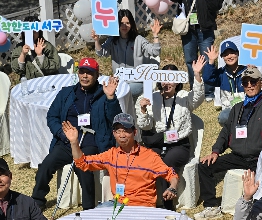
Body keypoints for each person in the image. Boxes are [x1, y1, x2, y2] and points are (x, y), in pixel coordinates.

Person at [194, 67, 262, 220]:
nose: (249, 85)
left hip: (260, 157)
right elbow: (226, 132)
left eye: (253, 82)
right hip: (237, 156)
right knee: (204, 166)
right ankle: (211, 207)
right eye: (245, 83)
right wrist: (216, 151)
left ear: (261, 84)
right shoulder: (237, 108)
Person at [32, 58, 120, 211]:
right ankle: (37, 200)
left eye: (89, 73)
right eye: (82, 72)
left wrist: (111, 98)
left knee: (84, 170)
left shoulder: (104, 93)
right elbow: (52, 116)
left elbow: (116, 119)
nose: (85, 76)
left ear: (97, 75)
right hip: (66, 142)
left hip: (91, 143)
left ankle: (88, 209)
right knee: (45, 166)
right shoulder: (66, 93)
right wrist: (62, 134)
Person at [66, 113, 179, 208]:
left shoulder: (150, 156)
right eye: (118, 131)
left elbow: (171, 174)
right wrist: (74, 142)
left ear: (134, 132)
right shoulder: (111, 155)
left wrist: (172, 187)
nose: (122, 135)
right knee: (95, 217)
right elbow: (83, 163)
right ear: (114, 134)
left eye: (126, 131)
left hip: (142, 206)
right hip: (117, 204)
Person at [136, 59, 205, 209]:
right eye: (164, 79)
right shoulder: (150, 97)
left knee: (166, 162)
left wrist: (197, 74)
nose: (167, 83)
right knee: (147, 161)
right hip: (158, 142)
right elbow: (145, 125)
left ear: (177, 82)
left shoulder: (183, 96)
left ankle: (167, 204)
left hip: (179, 144)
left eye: (171, 79)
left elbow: (198, 98)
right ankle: (147, 201)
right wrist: (143, 110)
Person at [165, 0, 222, 100]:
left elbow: (217, 5)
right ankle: (195, 89)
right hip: (188, 30)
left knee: (207, 59)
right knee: (190, 61)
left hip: (205, 29)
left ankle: (209, 92)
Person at [92, 10, 161, 98]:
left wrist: (155, 35)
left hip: (136, 81)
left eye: (127, 23)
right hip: (118, 80)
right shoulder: (113, 39)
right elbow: (101, 53)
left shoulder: (138, 39)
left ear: (131, 24)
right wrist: (96, 40)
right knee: (102, 90)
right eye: (121, 23)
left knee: (121, 91)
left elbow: (155, 52)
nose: (124, 26)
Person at [203, 41, 248, 124]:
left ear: (237, 53)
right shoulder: (221, 73)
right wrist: (211, 61)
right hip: (229, 108)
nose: (229, 56)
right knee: (223, 117)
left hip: (247, 107)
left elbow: (258, 83)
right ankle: (229, 129)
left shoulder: (246, 71)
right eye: (226, 54)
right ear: (222, 57)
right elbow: (207, 79)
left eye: (232, 53)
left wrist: (253, 70)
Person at [10, 16, 60, 80]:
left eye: (34, 30)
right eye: (28, 30)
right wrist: (23, 54)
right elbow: (16, 69)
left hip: (48, 80)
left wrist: (40, 55)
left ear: (39, 31)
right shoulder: (19, 48)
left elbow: (56, 65)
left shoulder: (46, 46)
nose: (31, 33)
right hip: (30, 82)